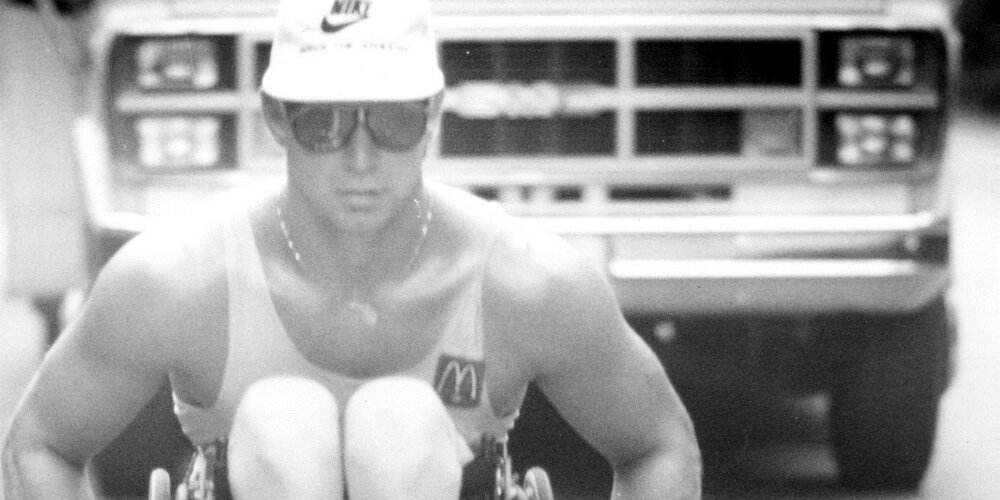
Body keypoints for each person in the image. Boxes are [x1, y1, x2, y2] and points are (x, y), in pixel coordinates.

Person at [2, 0, 702, 498]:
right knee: (284, 425)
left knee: (396, 429)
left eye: (392, 120)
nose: (360, 158)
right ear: (277, 117)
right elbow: (42, 443)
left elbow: (658, 446)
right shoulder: (178, 278)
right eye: (326, 122)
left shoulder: (527, 281)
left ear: (431, 116)